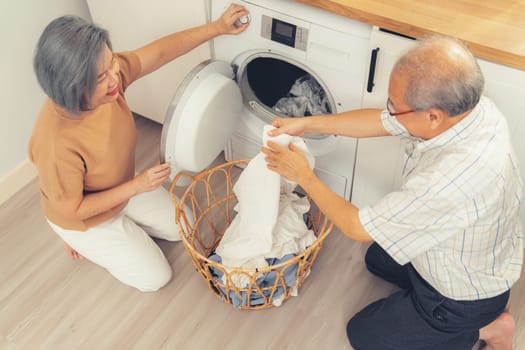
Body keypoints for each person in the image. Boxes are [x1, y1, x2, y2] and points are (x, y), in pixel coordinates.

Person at [262, 36, 523, 350]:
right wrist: (307, 123)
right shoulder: (471, 110)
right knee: (377, 259)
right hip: (468, 253)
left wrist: (303, 174)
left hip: (461, 297)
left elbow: (357, 228)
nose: (389, 111)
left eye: (394, 106)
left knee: (363, 333)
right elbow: (384, 122)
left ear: (432, 117)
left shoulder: (450, 179)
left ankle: (488, 330)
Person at [29, 4, 249, 292]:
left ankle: (126, 222)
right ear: (72, 87)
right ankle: (81, 240)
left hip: (121, 186)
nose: (114, 77)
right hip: (82, 217)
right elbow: (73, 208)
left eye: (111, 63)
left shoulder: (107, 78)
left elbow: (158, 53)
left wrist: (217, 28)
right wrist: (137, 186)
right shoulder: (57, 144)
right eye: (101, 76)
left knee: (184, 226)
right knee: (156, 278)